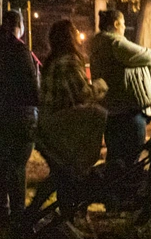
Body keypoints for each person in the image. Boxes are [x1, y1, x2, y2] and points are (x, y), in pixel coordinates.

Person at [30, 19, 107, 212]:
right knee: (67, 173)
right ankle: (51, 214)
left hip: (46, 126)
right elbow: (83, 94)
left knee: (61, 175)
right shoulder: (69, 61)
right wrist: (101, 86)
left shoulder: (53, 60)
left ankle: (44, 214)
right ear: (70, 37)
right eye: (75, 32)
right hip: (60, 128)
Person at [90, 9, 151, 172]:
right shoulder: (115, 43)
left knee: (115, 161)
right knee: (131, 161)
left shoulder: (99, 45)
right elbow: (150, 56)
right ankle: (126, 187)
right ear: (116, 24)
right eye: (123, 24)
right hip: (128, 113)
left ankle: (114, 187)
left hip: (112, 113)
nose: (124, 28)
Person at [0, 10, 40, 224]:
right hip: (19, 113)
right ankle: (18, 211)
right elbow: (30, 85)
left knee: (1, 160)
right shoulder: (20, 50)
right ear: (20, 26)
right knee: (17, 164)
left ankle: (1, 209)